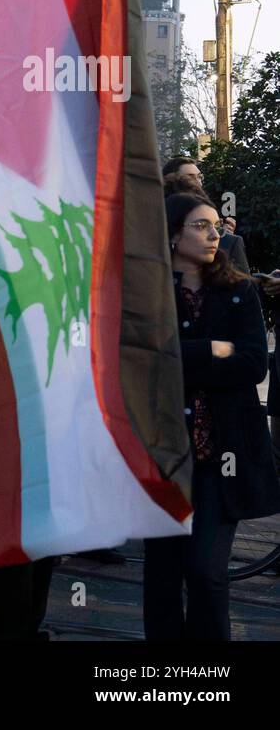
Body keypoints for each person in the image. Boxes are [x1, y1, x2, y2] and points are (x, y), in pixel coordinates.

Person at [143, 194, 280, 641]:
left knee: (205, 570)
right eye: (201, 226)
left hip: (225, 453)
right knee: (163, 575)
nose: (214, 233)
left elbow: (253, 363)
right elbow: (141, 363)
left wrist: (182, 357)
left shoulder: (238, 290)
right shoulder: (151, 294)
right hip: (163, 453)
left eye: (216, 225)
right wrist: (213, 350)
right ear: (173, 234)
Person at [162, 156, 249, 272]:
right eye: (190, 177)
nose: (198, 182)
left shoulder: (229, 242)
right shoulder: (151, 236)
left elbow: (243, 283)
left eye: (199, 177)